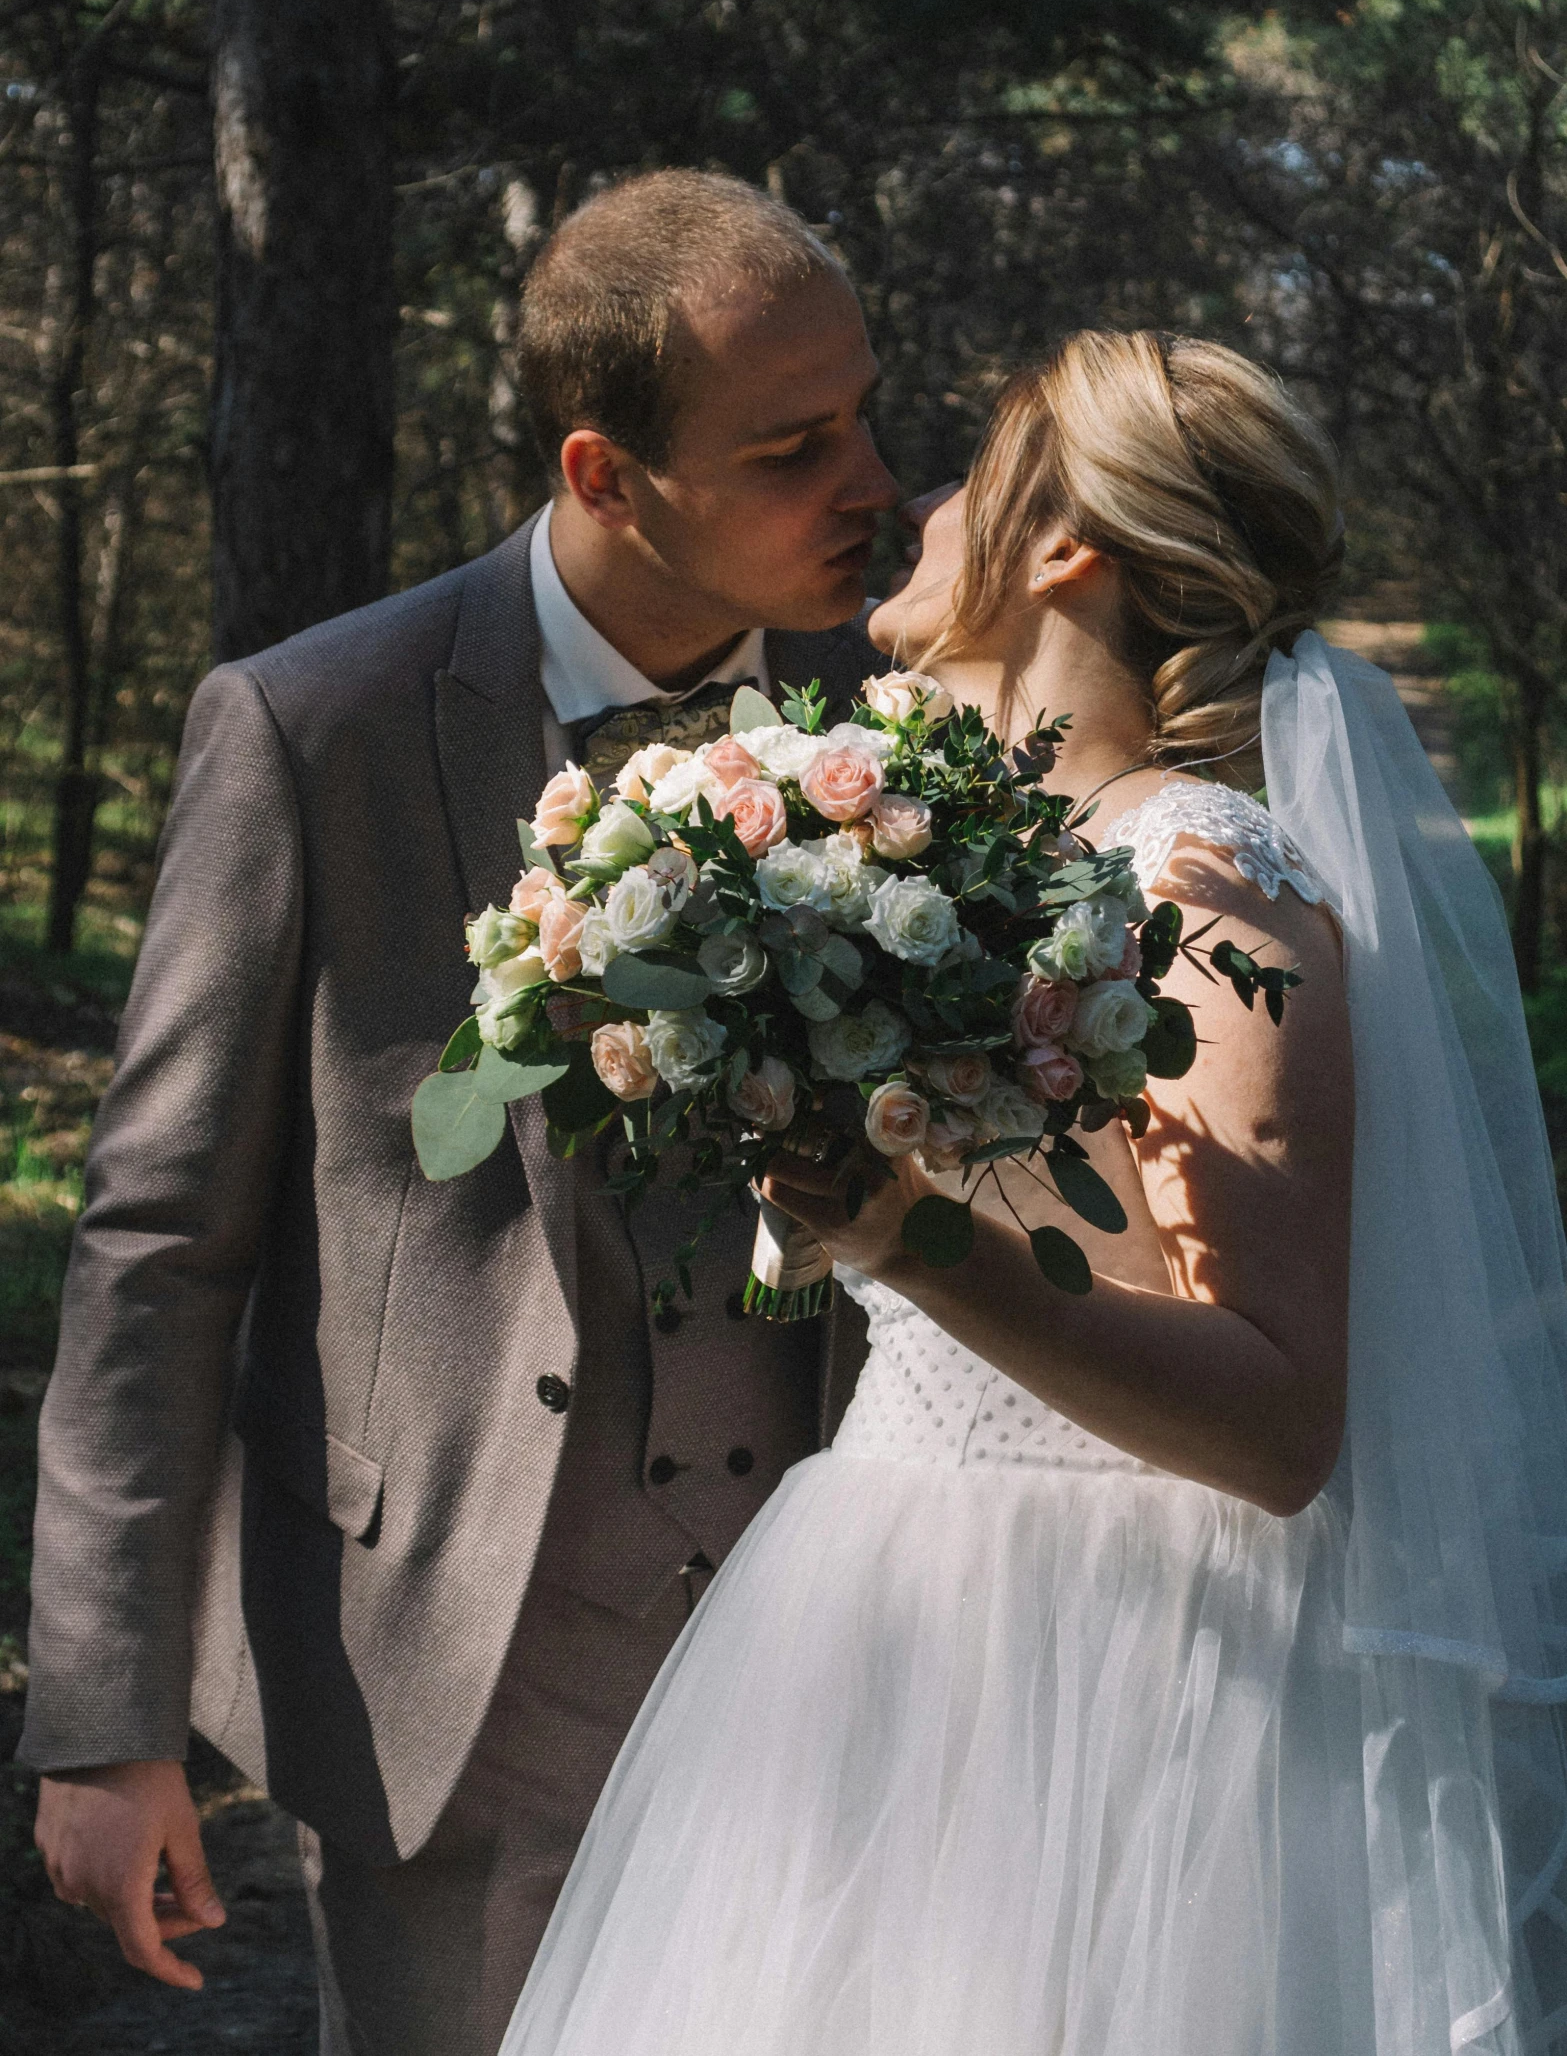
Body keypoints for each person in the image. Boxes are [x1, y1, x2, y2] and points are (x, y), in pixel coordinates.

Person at [498, 329, 1567, 2056]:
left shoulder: (1208, 880)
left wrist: (908, 1235)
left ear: (1064, 539)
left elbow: (1282, 1419)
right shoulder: (949, 862)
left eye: (965, 475)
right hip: (876, 1631)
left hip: (1120, 1682)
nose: (910, 505)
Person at [21, 167, 896, 2056]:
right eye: (791, 443)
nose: (871, 483)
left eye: (864, 416)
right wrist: (107, 1711)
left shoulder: (902, 727)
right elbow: (160, 1240)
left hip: (843, 1647)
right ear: (605, 474)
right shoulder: (313, 726)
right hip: (446, 1656)